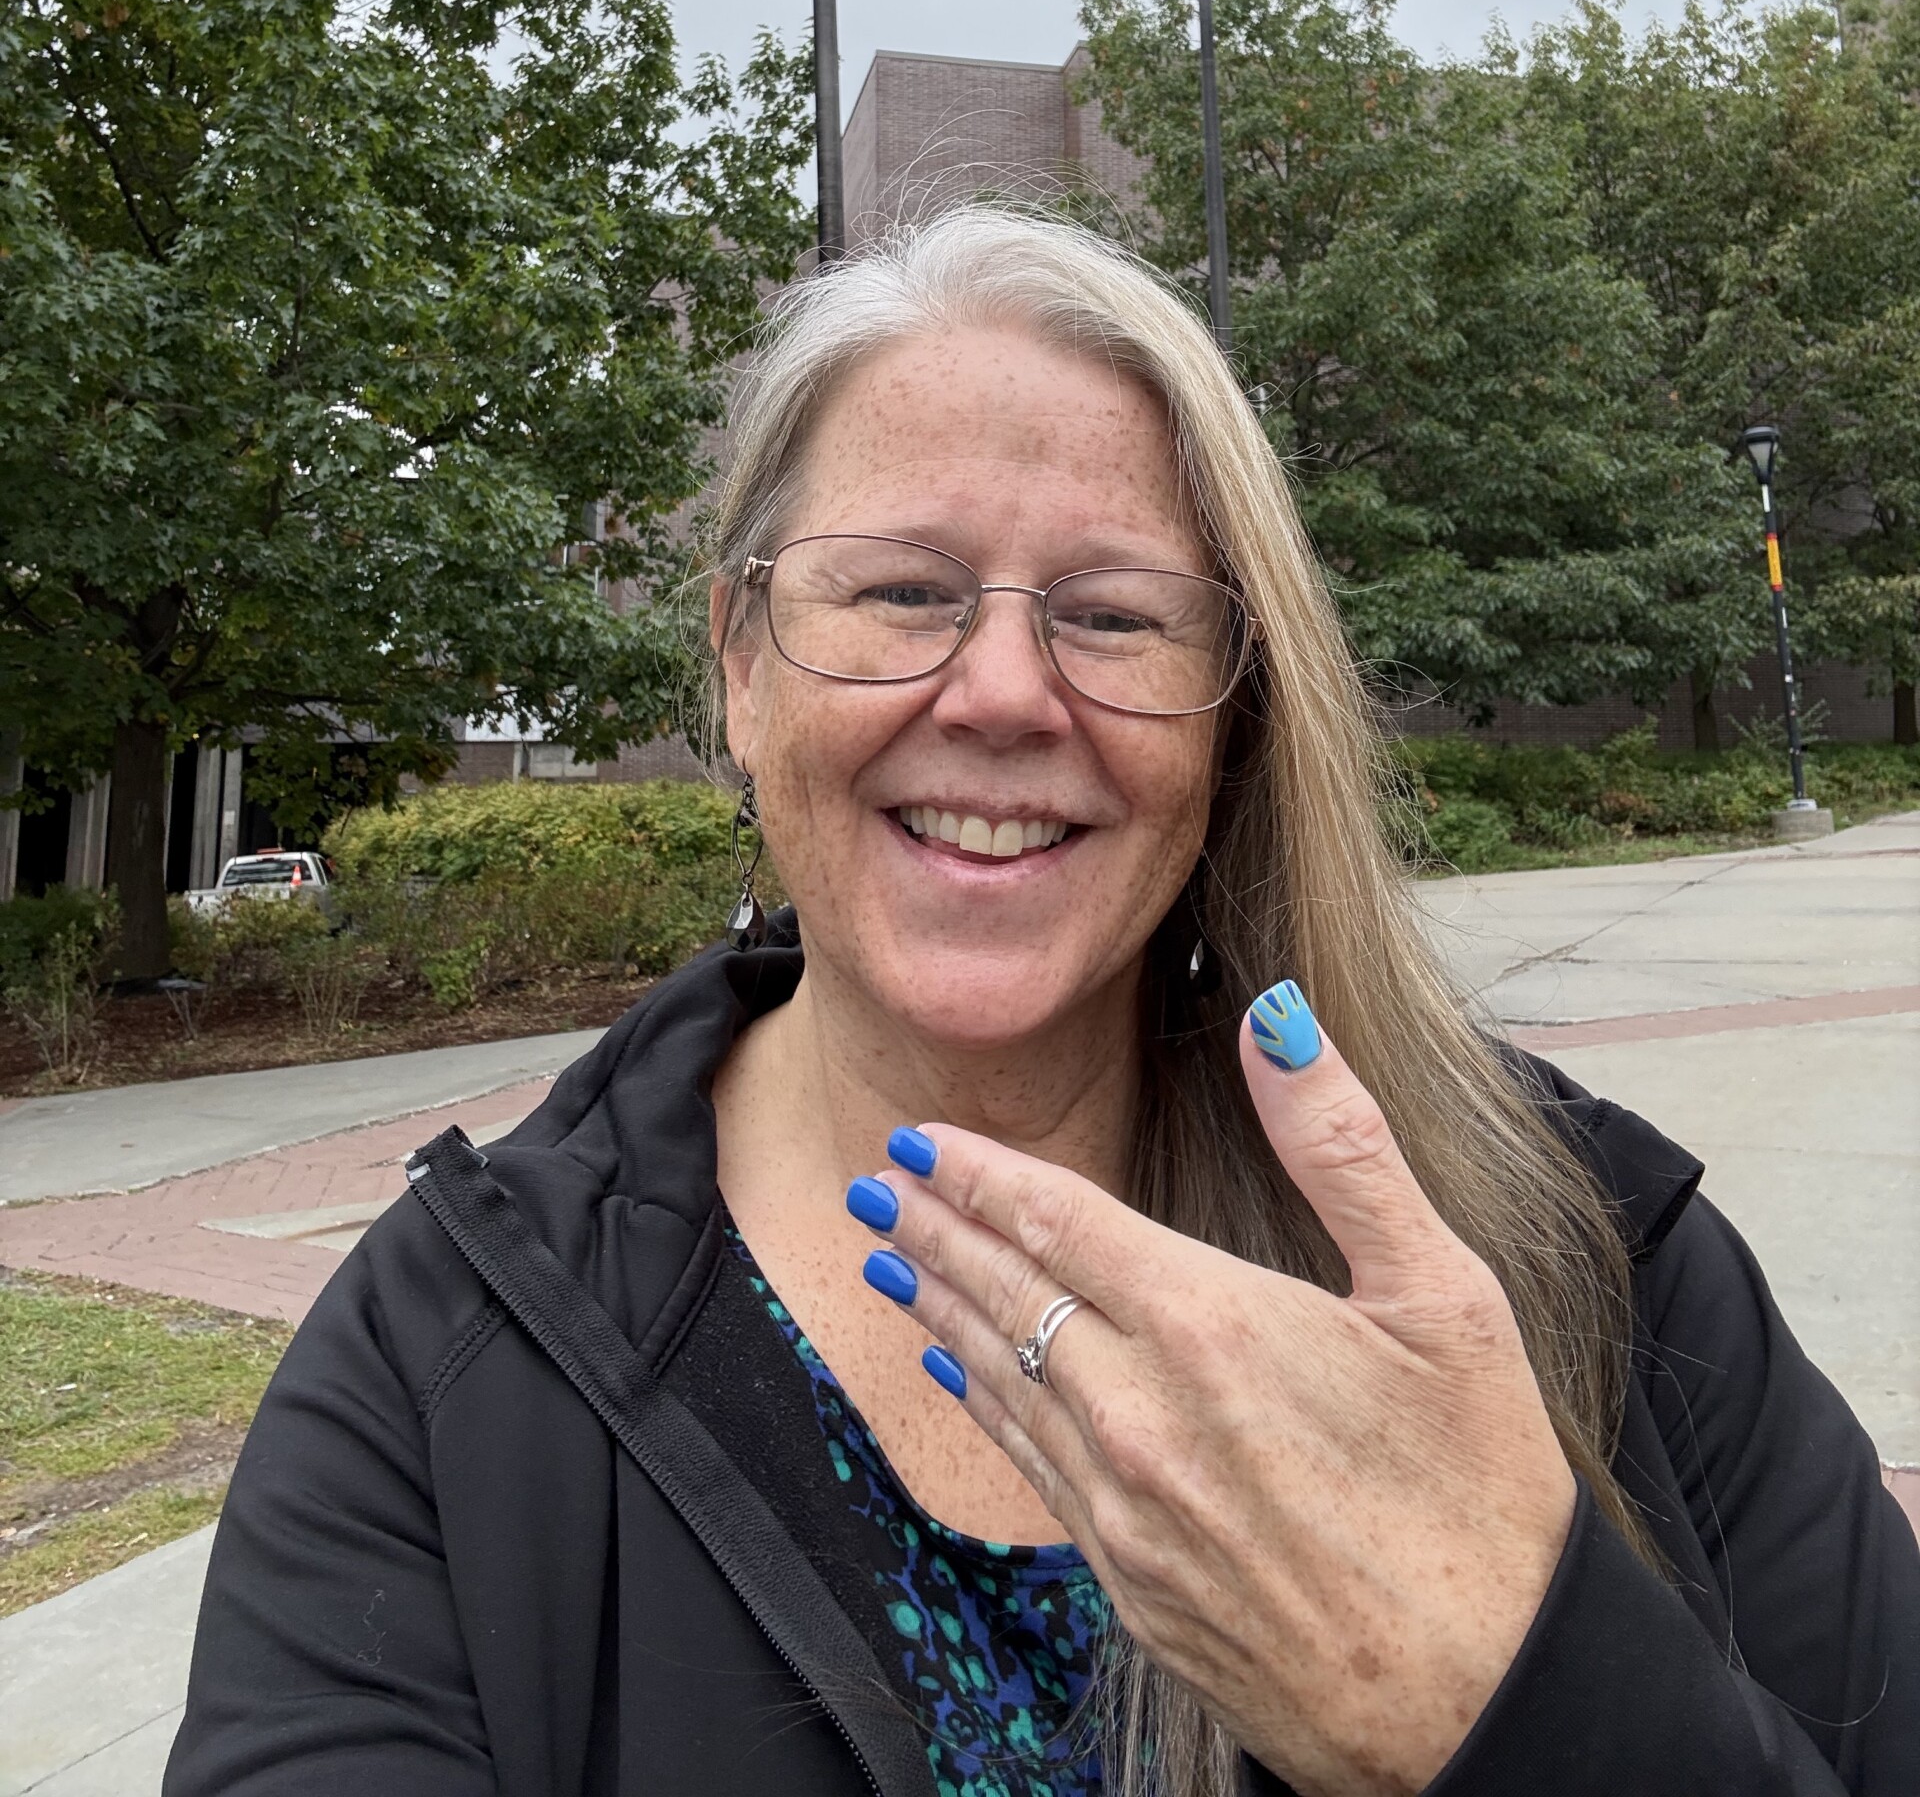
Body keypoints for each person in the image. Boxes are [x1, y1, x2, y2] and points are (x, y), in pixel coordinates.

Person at [166, 208, 1917, 1797]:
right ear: (742, 666)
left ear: (1235, 707)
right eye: (902, 591)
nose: (1003, 693)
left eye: (1114, 615)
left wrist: (1521, 1706)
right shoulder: (445, 1364)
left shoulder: (1585, 1248)